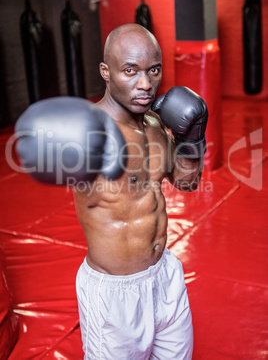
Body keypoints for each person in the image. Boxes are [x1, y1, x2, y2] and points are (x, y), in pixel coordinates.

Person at [15, 23, 208, 359]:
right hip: (114, 295)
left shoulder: (155, 126)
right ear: (106, 72)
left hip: (164, 277)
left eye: (153, 71)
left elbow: (187, 182)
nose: (145, 84)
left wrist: (191, 140)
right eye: (130, 71)